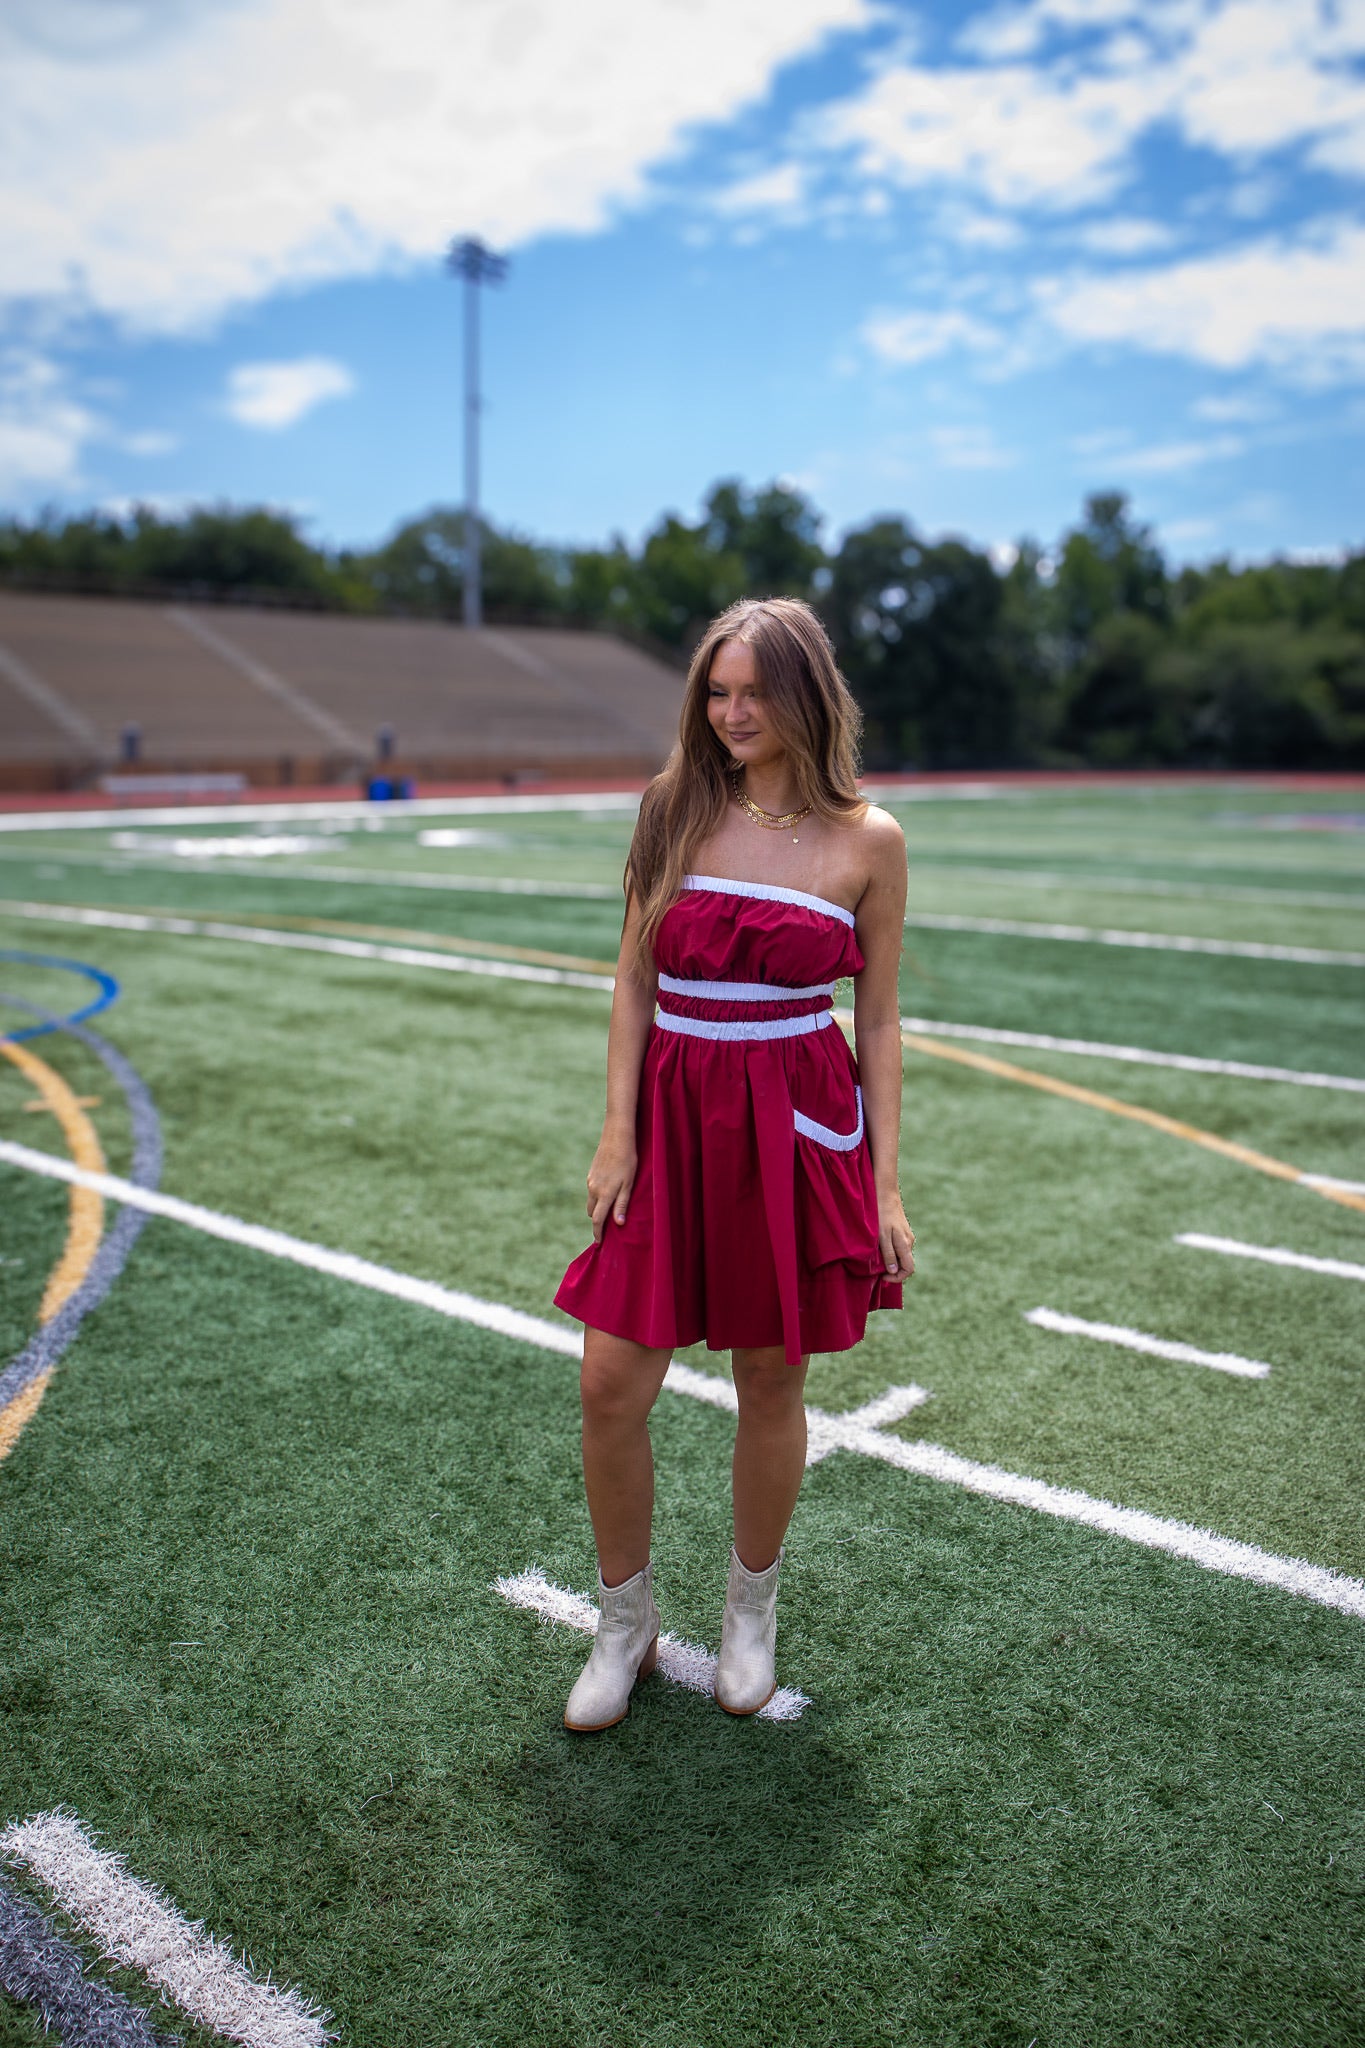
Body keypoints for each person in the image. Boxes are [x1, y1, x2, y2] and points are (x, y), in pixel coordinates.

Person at [554, 596, 913, 1731]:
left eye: (755, 691)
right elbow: (632, 978)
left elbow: (879, 1021)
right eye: (717, 691)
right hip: (672, 1117)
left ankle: (749, 1613)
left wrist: (885, 1184)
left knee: (770, 1376)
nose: (732, 712)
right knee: (609, 1382)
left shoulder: (871, 839)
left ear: (806, 693)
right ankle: (625, 1622)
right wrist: (616, 1131)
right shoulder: (672, 805)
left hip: (794, 1129)